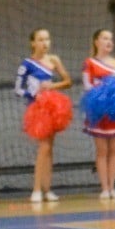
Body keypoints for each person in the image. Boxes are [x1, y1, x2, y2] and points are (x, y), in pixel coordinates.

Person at [15, 28, 73, 203]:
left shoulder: (54, 60)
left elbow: (67, 81)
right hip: (37, 108)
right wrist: (34, 95)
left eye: (47, 39)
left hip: (53, 106)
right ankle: (36, 189)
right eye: (40, 40)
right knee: (44, 148)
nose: (45, 43)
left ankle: (47, 189)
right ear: (33, 43)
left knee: (49, 149)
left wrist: (52, 87)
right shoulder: (27, 64)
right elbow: (18, 88)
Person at [82, 29, 115, 200]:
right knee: (102, 151)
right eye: (104, 38)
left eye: (110, 38)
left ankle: (113, 187)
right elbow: (87, 86)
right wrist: (104, 93)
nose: (109, 41)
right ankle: (104, 188)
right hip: (98, 112)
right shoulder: (89, 62)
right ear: (96, 41)